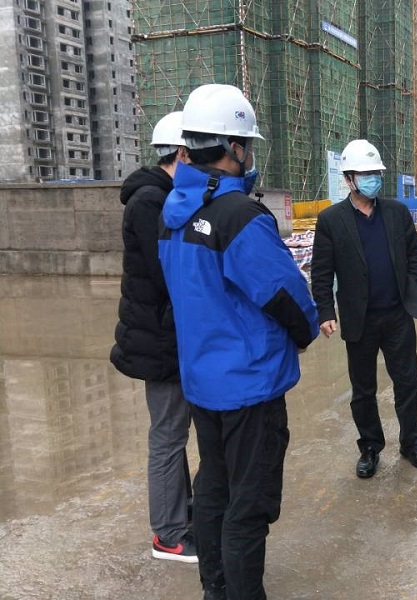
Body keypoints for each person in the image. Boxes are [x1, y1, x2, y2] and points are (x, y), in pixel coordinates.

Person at [158, 84, 319, 600]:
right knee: (248, 507)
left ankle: (216, 589)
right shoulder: (239, 217)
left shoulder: (173, 215)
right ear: (234, 148)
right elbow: (285, 295)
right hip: (250, 387)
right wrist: (305, 332)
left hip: (204, 383)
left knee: (213, 492)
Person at [310, 139, 417, 479]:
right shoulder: (331, 220)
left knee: (407, 382)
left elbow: (415, 254)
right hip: (359, 318)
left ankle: (412, 444)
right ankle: (370, 447)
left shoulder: (396, 213)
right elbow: (321, 271)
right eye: (365, 174)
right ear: (348, 179)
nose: (373, 179)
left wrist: (410, 289)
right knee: (363, 390)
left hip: (396, 316)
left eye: (376, 173)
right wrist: (325, 311)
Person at [109, 111, 196, 563]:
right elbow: (169, 272)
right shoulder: (150, 202)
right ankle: (168, 534)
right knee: (167, 435)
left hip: (166, 335)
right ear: (181, 153)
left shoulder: (163, 196)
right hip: (159, 339)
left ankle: (180, 513)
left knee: (174, 432)